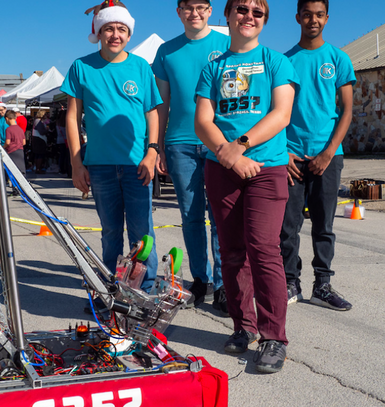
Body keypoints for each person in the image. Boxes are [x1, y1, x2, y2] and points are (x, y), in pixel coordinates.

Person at [195, 0, 299, 373]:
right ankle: (244, 327)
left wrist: (239, 146)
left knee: (263, 248)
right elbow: (202, 120)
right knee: (232, 250)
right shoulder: (212, 67)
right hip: (221, 167)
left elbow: (281, 113)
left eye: (257, 11)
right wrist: (228, 154)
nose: (249, 16)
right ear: (227, 15)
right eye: (241, 8)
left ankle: (274, 337)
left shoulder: (276, 62)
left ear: (265, 20)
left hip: (265, 167)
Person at [61, 0, 162, 292]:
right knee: (110, 232)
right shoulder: (81, 67)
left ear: (129, 34)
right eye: (108, 28)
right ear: (98, 32)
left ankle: (145, 290)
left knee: (142, 232)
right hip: (100, 165)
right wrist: (77, 163)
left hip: (136, 164)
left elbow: (152, 113)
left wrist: (152, 152)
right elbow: (72, 117)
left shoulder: (141, 67)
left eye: (121, 29)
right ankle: (111, 289)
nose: (115, 35)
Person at [152, 0, 230, 313]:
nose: (194, 13)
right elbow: (162, 104)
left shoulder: (226, 45)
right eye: (188, 7)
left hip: (219, 142)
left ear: (210, 10)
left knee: (221, 217)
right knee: (191, 216)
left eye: (200, 7)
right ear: (179, 12)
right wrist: (157, 145)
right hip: (180, 143)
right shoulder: (166, 51)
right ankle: (201, 279)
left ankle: (224, 284)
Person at [280, 0, 355, 311]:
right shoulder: (283, 61)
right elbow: (276, 112)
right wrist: (283, 152)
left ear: (327, 18)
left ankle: (322, 285)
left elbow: (347, 111)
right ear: (298, 17)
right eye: (307, 14)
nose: (313, 20)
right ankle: (289, 282)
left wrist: (327, 152)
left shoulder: (338, 59)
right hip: (292, 157)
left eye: (319, 14)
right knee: (287, 226)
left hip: (328, 156)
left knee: (324, 225)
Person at [4, 110, 27, 188]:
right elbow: (24, 142)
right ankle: (23, 188)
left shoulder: (8, 129)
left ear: (7, 119)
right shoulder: (20, 129)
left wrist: (3, 147)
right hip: (20, 151)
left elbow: (7, 142)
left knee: (13, 171)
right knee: (21, 170)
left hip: (12, 152)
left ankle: (15, 189)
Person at [56, 110, 71, 176]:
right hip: (66, 141)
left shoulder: (58, 123)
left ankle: (61, 168)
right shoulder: (66, 124)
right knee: (66, 155)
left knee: (61, 155)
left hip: (59, 140)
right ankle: (65, 168)